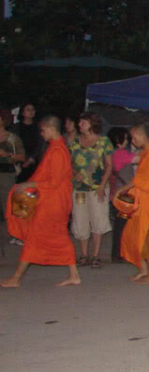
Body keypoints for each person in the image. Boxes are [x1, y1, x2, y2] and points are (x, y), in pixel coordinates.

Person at [1, 116, 81, 288]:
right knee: (60, 237)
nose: (42, 134)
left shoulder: (58, 150)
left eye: (43, 130)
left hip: (53, 202)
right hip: (53, 200)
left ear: (51, 128)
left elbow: (54, 182)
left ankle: (16, 278)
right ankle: (74, 275)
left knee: (35, 237)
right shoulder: (55, 147)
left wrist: (29, 184)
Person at [115, 124, 149, 284]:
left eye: (134, 137)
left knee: (147, 238)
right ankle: (143, 269)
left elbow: (147, 180)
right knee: (135, 235)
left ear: (141, 135)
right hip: (141, 199)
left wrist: (122, 189)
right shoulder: (146, 152)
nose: (132, 141)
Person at [69, 112, 114, 269]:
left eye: (83, 121)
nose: (80, 124)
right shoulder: (74, 142)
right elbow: (70, 164)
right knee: (80, 218)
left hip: (97, 187)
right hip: (80, 188)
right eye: (79, 121)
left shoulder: (103, 142)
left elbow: (109, 165)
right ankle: (83, 254)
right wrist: (75, 174)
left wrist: (102, 185)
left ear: (92, 124)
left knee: (98, 217)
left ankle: (96, 255)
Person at [107, 127, 140, 263]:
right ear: (118, 141)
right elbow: (138, 159)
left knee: (120, 226)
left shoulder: (112, 153)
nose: (128, 141)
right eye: (126, 139)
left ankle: (118, 253)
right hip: (123, 197)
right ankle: (118, 253)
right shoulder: (120, 154)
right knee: (122, 227)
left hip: (116, 195)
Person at [0, 110, 25, 220]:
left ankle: (13, 231)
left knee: (8, 206)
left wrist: (8, 154)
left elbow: (22, 157)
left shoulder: (12, 138)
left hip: (6, 174)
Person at [14, 102, 44, 183]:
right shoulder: (16, 127)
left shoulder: (39, 127)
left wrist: (31, 158)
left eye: (33, 109)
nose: (31, 112)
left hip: (35, 161)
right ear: (22, 113)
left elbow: (40, 144)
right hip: (20, 161)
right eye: (28, 110)